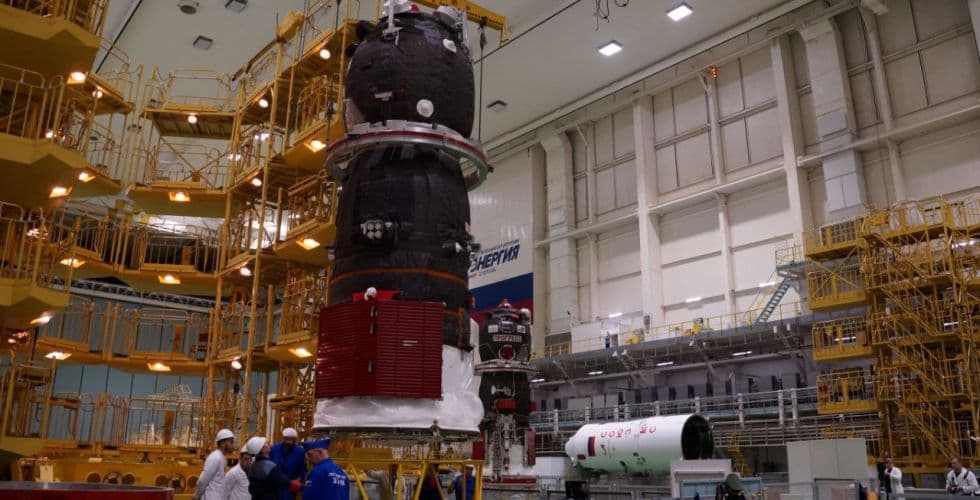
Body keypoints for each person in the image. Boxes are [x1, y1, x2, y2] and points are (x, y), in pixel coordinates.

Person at [194, 428, 235, 500]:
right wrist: (196, 497)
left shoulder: (222, 458)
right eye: (231, 442)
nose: (233, 445)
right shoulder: (215, 458)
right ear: (222, 443)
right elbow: (202, 481)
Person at [269, 427, 306, 500]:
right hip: (275, 484)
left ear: (295, 440)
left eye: (291, 439)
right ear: (283, 438)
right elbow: (269, 465)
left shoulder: (300, 451)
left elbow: (303, 469)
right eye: (287, 439)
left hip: (290, 486)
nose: (289, 442)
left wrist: (298, 479)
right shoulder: (274, 448)